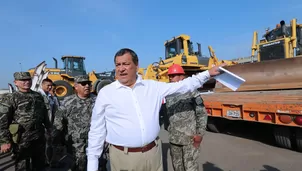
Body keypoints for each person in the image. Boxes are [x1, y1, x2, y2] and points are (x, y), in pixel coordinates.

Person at [86, 48, 223, 171]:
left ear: (136, 66)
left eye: (126, 64)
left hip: (153, 155)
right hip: (124, 158)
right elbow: (96, 130)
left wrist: (208, 73)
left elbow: (183, 86)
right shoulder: (106, 93)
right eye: (118, 65)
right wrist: (92, 165)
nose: (121, 69)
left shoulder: (153, 87)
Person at [52, 75, 108, 171]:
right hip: (76, 144)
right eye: (83, 84)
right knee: (78, 167)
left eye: (88, 84)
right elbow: (59, 122)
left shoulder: (98, 100)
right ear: (76, 86)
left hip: (96, 142)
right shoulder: (68, 102)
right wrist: (57, 141)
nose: (87, 86)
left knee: (99, 166)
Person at [0, 72, 52, 171]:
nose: (26, 82)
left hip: (38, 136)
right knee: (22, 166)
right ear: (15, 82)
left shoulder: (38, 96)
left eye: (28, 80)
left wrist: (49, 129)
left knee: (40, 165)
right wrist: (4, 141)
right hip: (21, 138)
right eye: (23, 80)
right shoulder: (10, 98)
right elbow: (2, 121)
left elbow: (45, 114)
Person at [164, 64, 208, 171]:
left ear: (182, 76)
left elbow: (201, 113)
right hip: (174, 139)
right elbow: (165, 113)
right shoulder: (168, 93)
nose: (170, 78)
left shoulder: (192, 91)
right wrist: (168, 128)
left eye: (173, 75)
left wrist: (200, 134)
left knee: (190, 168)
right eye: (169, 75)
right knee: (177, 167)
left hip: (190, 139)